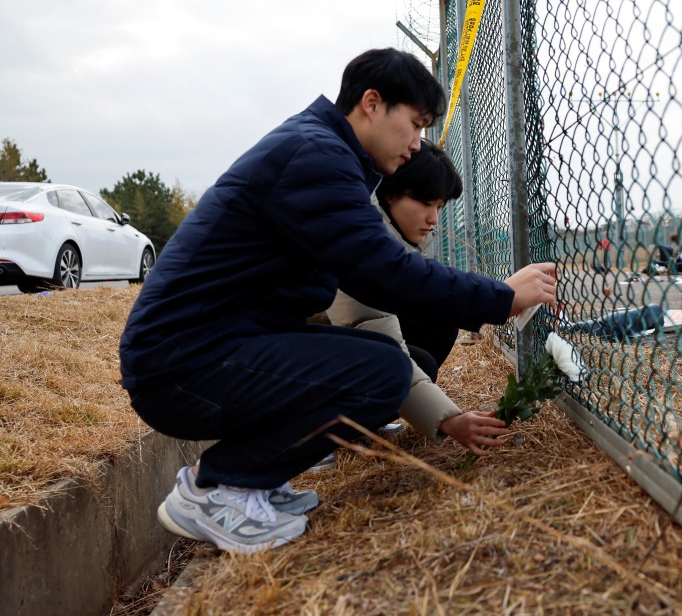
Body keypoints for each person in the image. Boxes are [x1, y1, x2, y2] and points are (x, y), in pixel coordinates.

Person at [119, 48, 557, 553]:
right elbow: (383, 272)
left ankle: (255, 481)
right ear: (372, 103)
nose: (417, 145)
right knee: (381, 374)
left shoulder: (322, 154)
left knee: (382, 363)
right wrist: (501, 297)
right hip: (182, 363)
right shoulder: (315, 156)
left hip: (203, 348)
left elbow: (374, 285)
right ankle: (218, 487)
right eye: (414, 125)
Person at [323, 139, 494, 454]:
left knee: (438, 316)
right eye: (425, 203)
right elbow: (367, 325)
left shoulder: (389, 233)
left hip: (324, 351)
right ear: (390, 193)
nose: (433, 219)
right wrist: (449, 419)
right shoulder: (362, 237)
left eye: (439, 207)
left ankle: (363, 422)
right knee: (411, 364)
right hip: (287, 365)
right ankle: (319, 439)